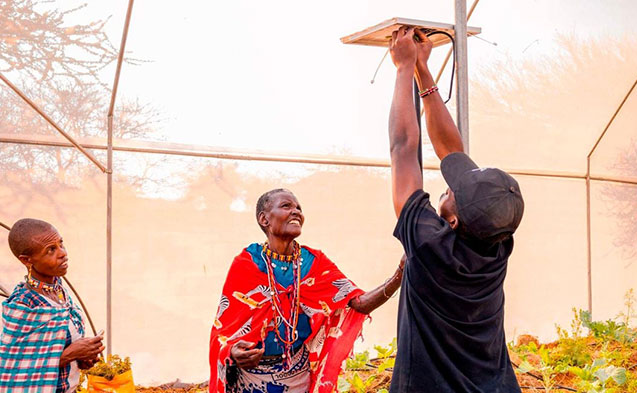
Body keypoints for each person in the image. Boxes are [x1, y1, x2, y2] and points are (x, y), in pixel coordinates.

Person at [386, 27, 525, 392]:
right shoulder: (496, 243)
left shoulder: (430, 246)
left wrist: (403, 69)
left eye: (453, 192)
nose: (449, 184)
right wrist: (422, 70)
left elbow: (403, 147)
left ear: (452, 219)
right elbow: (452, 152)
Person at [209, 189, 405, 393]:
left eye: (299, 208)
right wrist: (232, 351)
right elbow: (223, 329)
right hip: (249, 380)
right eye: (286, 206)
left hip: (297, 377)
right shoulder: (247, 264)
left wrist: (399, 273)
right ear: (264, 219)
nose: (296, 212)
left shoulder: (315, 263)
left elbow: (358, 303)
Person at [0, 218, 104, 393]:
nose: (62, 253)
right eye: (51, 250)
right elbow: (16, 370)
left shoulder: (60, 291)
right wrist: (72, 354)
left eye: (61, 244)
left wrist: (84, 358)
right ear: (26, 260)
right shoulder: (23, 304)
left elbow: (54, 350)